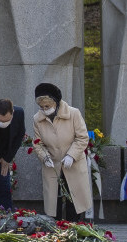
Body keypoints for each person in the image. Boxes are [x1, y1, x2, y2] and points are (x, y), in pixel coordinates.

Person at [32, 82, 92, 220]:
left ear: (56, 103)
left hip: (73, 164)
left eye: (47, 106)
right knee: (54, 202)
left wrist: (71, 155)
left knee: (74, 199)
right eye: (41, 107)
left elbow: (82, 138)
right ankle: (56, 231)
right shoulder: (37, 119)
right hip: (52, 164)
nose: (44, 109)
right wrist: (45, 157)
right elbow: (37, 143)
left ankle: (75, 228)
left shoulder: (73, 113)